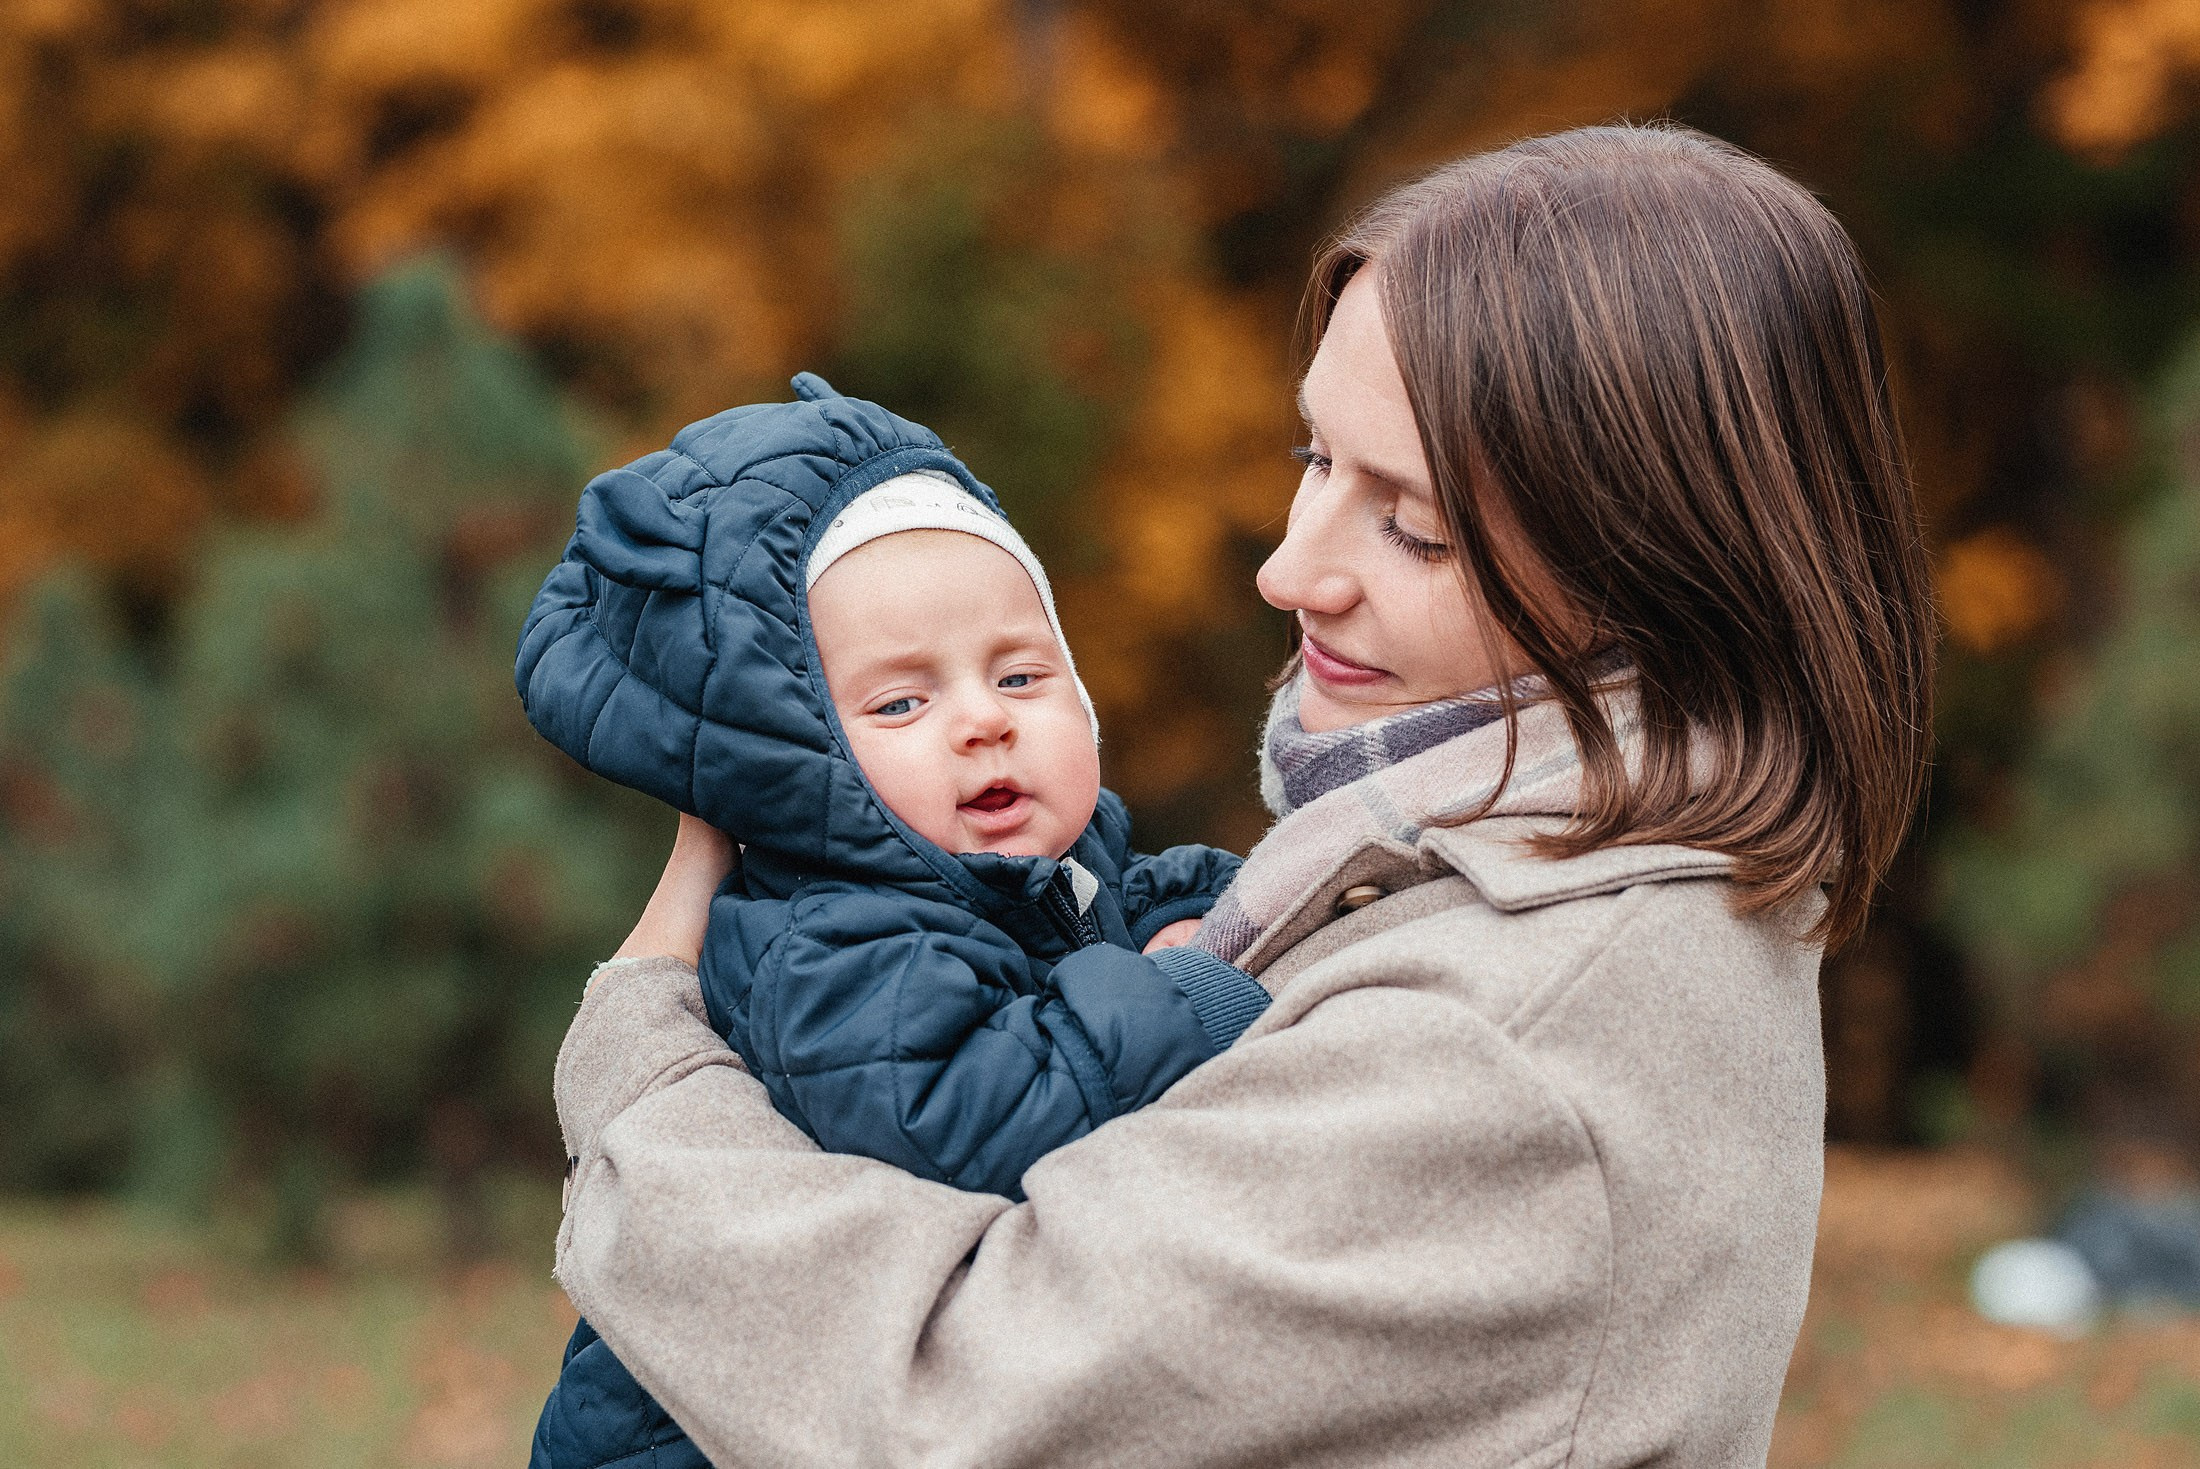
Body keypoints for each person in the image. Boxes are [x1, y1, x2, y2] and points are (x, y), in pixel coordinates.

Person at [546, 121, 1936, 1467]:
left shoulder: (1506, 1041)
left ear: (1656, 565)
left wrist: (645, 1064)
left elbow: (951, 1409)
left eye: (1416, 525)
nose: (1291, 568)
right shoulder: (1506, 876)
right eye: (1314, 460)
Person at [515, 393, 1260, 1468]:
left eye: (1019, 675)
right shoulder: (830, 936)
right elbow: (961, 1119)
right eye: (902, 704)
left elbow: (1114, 902)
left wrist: (1196, 907)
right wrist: (1190, 992)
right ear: (798, 760)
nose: (983, 718)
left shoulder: (1020, 872)